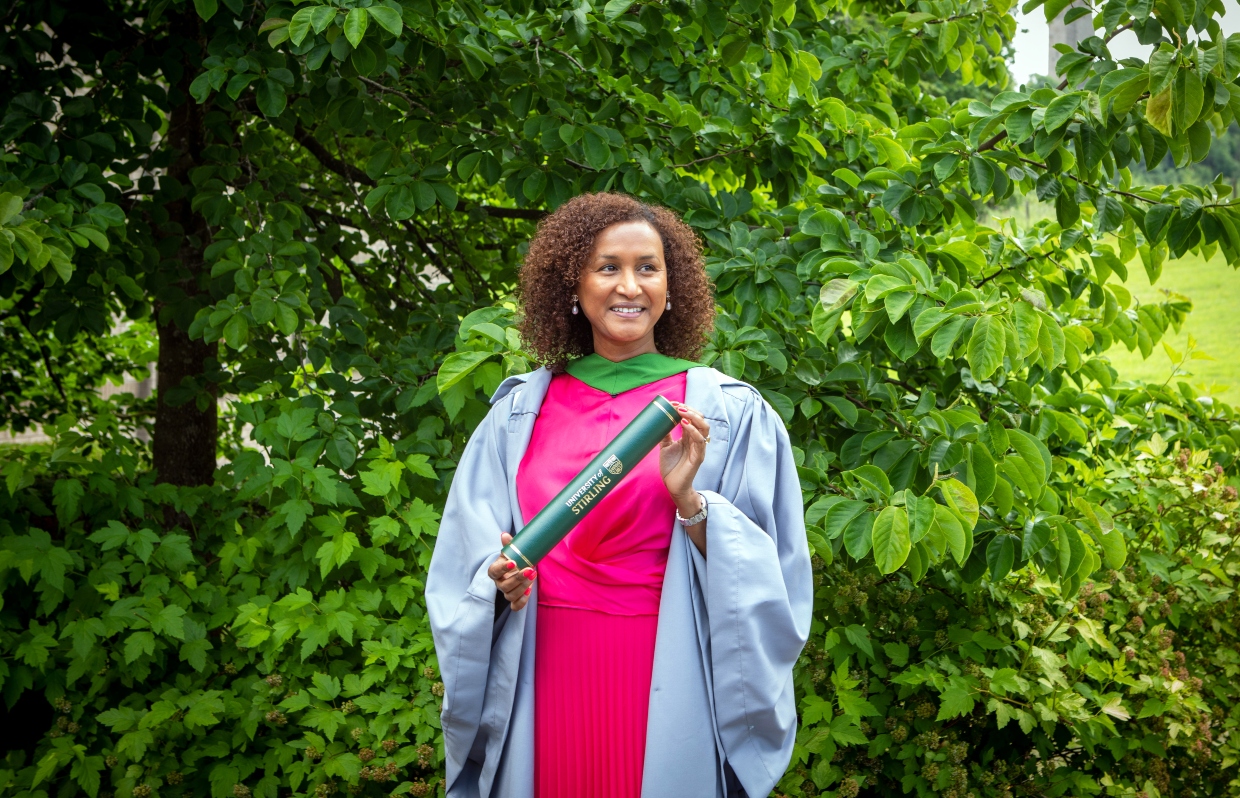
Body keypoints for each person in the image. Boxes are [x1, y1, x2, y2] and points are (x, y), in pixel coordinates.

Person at [426, 192, 812, 798]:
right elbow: (465, 568)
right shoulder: (519, 412)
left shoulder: (725, 412)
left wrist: (691, 502)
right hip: (544, 666)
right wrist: (497, 580)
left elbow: (772, 574)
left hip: (667, 668)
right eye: (608, 267)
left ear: (671, 285)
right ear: (572, 287)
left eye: (647, 268)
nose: (628, 286)